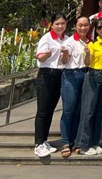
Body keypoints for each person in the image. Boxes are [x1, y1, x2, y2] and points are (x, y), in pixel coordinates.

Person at [76, 17, 102, 155]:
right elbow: (87, 63)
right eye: (99, 27)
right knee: (88, 110)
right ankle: (83, 144)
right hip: (94, 75)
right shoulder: (92, 44)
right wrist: (87, 54)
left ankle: (98, 142)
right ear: (96, 30)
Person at [33, 13, 67, 158]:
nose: (60, 26)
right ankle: (38, 144)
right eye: (57, 24)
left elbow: (65, 61)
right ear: (51, 25)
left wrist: (65, 54)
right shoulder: (46, 38)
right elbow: (40, 57)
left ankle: (44, 140)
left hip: (60, 74)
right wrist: (46, 55)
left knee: (50, 109)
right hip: (46, 74)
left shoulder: (66, 39)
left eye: (62, 23)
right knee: (43, 110)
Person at [59, 15, 90, 158]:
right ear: (75, 26)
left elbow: (88, 62)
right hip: (71, 76)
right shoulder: (70, 42)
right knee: (68, 110)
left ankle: (75, 142)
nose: (83, 28)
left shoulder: (90, 41)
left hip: (85, 74)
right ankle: (65, 142)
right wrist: (65, 54)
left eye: (86, 25)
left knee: (79, 110)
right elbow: (64, 61)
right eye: (80, 25)